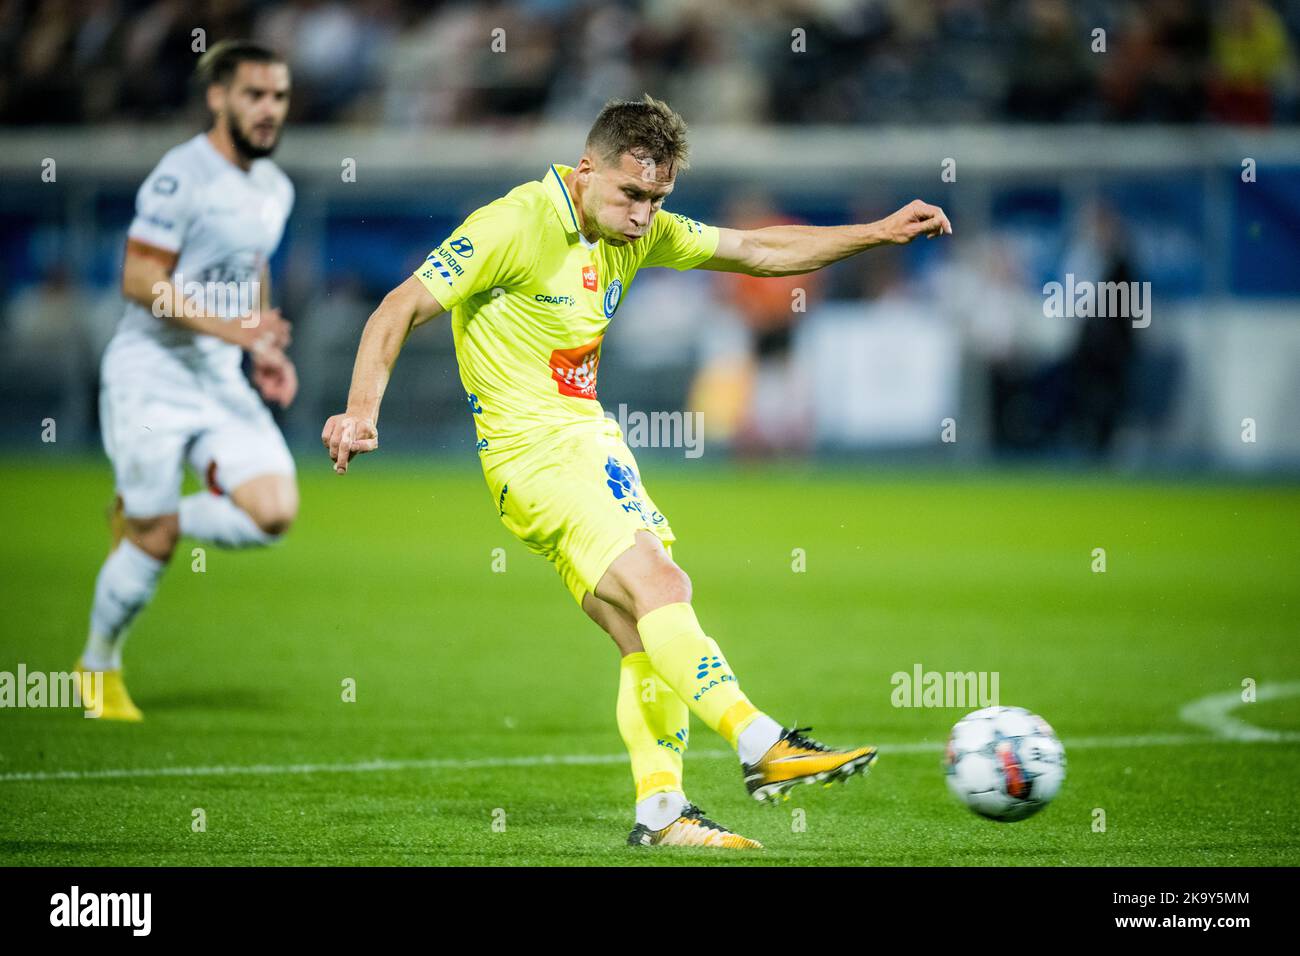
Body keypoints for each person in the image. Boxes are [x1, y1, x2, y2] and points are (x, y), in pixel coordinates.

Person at [324, 95, 952, 848]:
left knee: (644, 630)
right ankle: (762, 746)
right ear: (586, 171)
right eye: (632, 194)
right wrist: (362, 411)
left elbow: (757, 252)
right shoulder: (512, 225)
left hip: (593, 444)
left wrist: (878, 234)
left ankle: (663, 811)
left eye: (659, 200)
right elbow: (395, 309)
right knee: (663, 586)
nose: (644, 216)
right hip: (533, 458)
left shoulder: (634, 232)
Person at [78, 40, 299, 721]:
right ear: (218, 97)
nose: (269, 111)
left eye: (280, 97)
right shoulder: (181, 176)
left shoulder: (275, 187)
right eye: (254, 95)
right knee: (153, 550)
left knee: (273, 513)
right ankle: (98, 665)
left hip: (216, 374)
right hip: (150, 375)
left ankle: (152, 520)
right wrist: (237, 333)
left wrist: (262, 340)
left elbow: (251, 264)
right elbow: (140, 279)